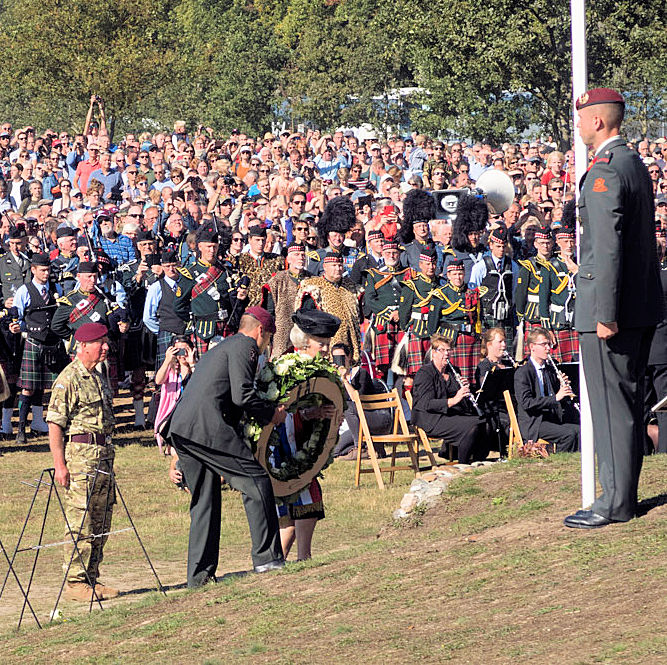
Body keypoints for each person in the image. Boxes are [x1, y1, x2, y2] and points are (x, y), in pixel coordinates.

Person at [564, 88, 662, 529]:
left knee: (610, 406)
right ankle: (622, 494)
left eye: (582, 118)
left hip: (613, 311)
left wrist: (604, 312)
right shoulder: (633, 163)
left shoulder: (605, 170)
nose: (579, 126)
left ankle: (615, 502)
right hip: (640, 305)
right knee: (626, 403)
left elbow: (605, 250)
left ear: (598, 122)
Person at [164, 307, 287, 587]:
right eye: (268, 338)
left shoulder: (225, 345)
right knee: (255, 482)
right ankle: (267, 558)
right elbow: (242, 394)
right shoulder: (246, 347)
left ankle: (199, 576)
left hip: (184, 428)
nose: (266, 344)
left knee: (204, 501)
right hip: (208, 428)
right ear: (260, 332)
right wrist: (271, 413)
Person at [46, 322, 119, 602]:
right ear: (83, 346)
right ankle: (76, 583)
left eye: (105, 342)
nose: (105, 347)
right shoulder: (69, 379)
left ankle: (91, 578)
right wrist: (59, 465)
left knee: (101, 520)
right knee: (81, 521)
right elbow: (55, 424)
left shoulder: (99, 376)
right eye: (100, 343)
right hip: (80, 460)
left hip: (103, 457)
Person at [274, 310, 341, 560]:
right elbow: (282, 412)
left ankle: (279, 561)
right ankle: (303, 558)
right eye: (321, 343)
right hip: (285, 450)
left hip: (302, 445)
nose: (325, 349)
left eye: (326, 344)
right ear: (304, 342)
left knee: (295, 510)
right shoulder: (289, 369)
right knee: (304, 502)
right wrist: (311, 415)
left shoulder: (315, 368)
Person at [11, 253, 67, 443]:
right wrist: (18, 326)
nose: (46, 273)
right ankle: (20, 430)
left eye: (48, 269)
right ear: (33, 270)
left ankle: (55, 427)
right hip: (34, 342)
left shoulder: (56, 288)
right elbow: (17, 317)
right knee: (28, 389)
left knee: (56, 388)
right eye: (42, 270)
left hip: (53, 343)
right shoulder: (24, 291)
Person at [411, 334, 490, 464]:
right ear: (433, 353)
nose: (446, 354)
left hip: (450, 415)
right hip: (430, 418)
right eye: (442, 350)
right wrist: (453, 400)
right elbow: (426, 403)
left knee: (485, 423)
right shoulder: (425, 373)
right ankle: (463, 464)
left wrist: (465, 390)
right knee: (473, 426)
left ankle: (477, 461)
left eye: (448, 350)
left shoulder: (454, 372)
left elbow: (462, 404)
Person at [514, 326, 579, 453]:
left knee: (580, 431)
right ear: (532, 347)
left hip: (552, 418)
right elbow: (527, 403)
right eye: (544, 344)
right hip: (535, 422)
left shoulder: (549, 370)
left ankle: (576, 464)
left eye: (548, 344)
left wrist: (562, 387)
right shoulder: (523, 372)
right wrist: (556, 397)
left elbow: (557, 398)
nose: (548, 348)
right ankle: (557, 462)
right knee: (569, 435)